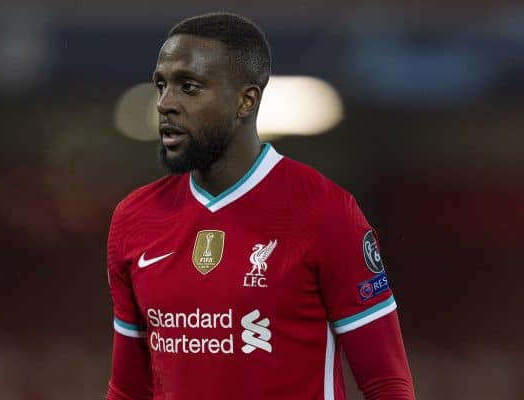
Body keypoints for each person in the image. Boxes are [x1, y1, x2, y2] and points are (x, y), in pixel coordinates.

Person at [106, 11, 415, 400]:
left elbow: (387, 384)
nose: (165, 103)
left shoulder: (326, 213)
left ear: (245, 101)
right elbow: (127, 390)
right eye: (161, 85)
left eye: (189, 87)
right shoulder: (133, 219)